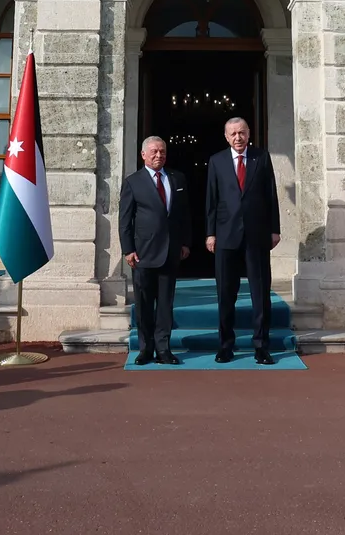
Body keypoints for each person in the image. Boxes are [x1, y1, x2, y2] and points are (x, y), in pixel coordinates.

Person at [205, 117, 281, 365]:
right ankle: (226, 346)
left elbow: (271, 195)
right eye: (233, 134)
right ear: (226, 137)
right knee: (226, 293)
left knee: (260, 293)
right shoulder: (216, 161)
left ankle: (261, 346)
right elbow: (212, 200)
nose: (238, 137)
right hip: (226, 236)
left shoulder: (262, 157)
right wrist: (210, 233)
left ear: (249, 134)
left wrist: (274, 229)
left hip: (257, 235)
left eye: (242, 133)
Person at [119, 136, 191, 365]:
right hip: (143, 253)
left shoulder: (177, 178)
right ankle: (145, 349)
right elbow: (125, 220)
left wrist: (185, 243)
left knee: (165, 305)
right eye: (154, 151)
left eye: (162, 151)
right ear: (143, 155)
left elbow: (184, 214)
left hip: (170, 252)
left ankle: (163, 349)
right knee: (143, 304)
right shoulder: (133, 182)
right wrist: (128, 249)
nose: (158, 155)